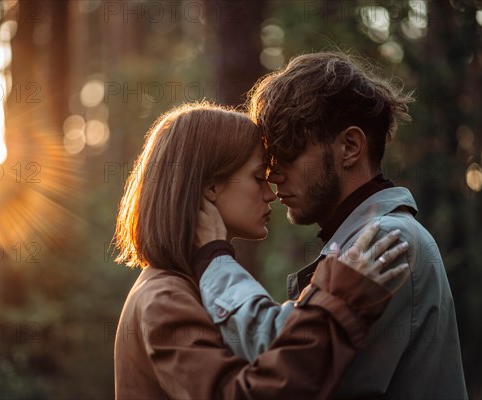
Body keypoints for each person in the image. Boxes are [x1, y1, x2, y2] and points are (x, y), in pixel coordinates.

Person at [195, 53, 468, 399]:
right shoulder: (367, 237)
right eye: (271, 161)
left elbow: (286, 368)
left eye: (290, 155)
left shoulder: (386, 240)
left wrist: (213, 260)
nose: (274, 175)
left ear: (350, 147)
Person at [113, 102, 409, 399]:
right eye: (258, 178)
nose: (271, 194)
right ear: (211, 187)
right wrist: (339, 305)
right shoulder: (164, 298)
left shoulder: (183, 287)